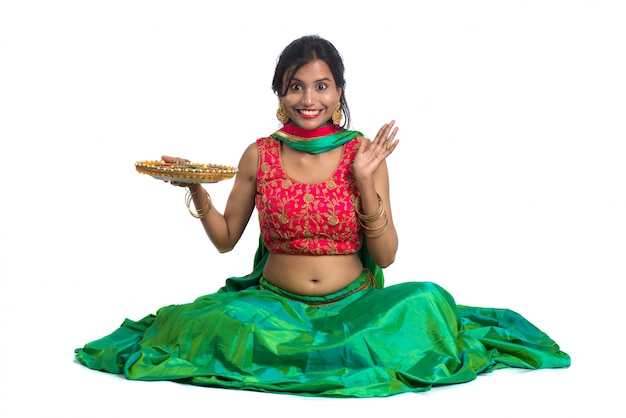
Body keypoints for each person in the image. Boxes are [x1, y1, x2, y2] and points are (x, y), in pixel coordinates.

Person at [75, 35, 570, 397]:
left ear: (338, 93)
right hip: (273, 307)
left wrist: (362, 181)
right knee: (212, 325)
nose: (308, 100)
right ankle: (307, 348)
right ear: (280, 95)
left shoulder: (363, 152)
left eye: (321, 86)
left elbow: (387, 257)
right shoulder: (259, 154)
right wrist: (197, 191)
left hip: (351, 305)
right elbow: (226, 239)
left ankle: (331, 345)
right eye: (295, 87)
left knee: (425, 301)